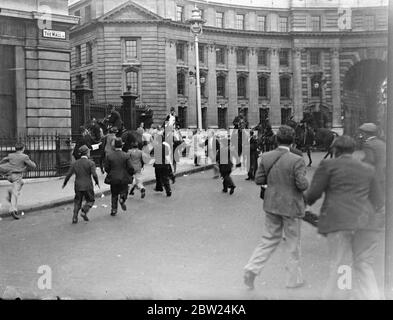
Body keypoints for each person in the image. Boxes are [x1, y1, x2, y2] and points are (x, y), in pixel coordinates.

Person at [305, 135, 383, 299]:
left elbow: (313, 194)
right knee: (363, 265)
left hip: (339, 222)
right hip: (366, 223)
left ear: (335, 150)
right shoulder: (367, 169)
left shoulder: (328, 165)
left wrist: (304, 202)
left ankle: (341, 296)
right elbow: (378, 201)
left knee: (342, 265)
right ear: (353, 150)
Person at [243, 125, 308, 290]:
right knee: (293, 242)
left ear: (277, 140)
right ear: (292, 141)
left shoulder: (266, 157)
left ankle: (252, 268)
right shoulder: (297, 160)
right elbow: (302, 185)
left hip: (271, 205)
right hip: (291, 206)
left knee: (268, 239)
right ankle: (293, 279)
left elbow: (259, 180)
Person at [62, 145, 100, 224]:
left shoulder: (75, 163)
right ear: (87, 153)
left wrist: (64, 183)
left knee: (77, 201)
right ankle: (84, 210)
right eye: (88, 151)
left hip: (78, 185)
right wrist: (97, 182)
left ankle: (75, 217)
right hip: (88, 185)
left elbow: (69, 174)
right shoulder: (91, 163)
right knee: (90, 200)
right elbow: (94, 174)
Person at [0, 142, 37, 220]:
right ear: (23, 148)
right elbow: (33, 166)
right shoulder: (24, 156)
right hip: (16, 177)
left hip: (9, 176)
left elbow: (4, 159)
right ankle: (13, 209)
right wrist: (30, 163)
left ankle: (10, 193)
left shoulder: (11, 155)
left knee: (21, 183)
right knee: (15, 193)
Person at [104, 138, 134, 216]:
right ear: (122, 145)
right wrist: (130, 174)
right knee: (124, 190)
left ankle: (114, 209)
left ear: (114, 146)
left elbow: (106, 168)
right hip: (123, 177)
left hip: (113, 177)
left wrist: (110, 173)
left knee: (114, 194)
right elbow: (130, 167)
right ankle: (122, 198)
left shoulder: (109, 156)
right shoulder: (126, 155)